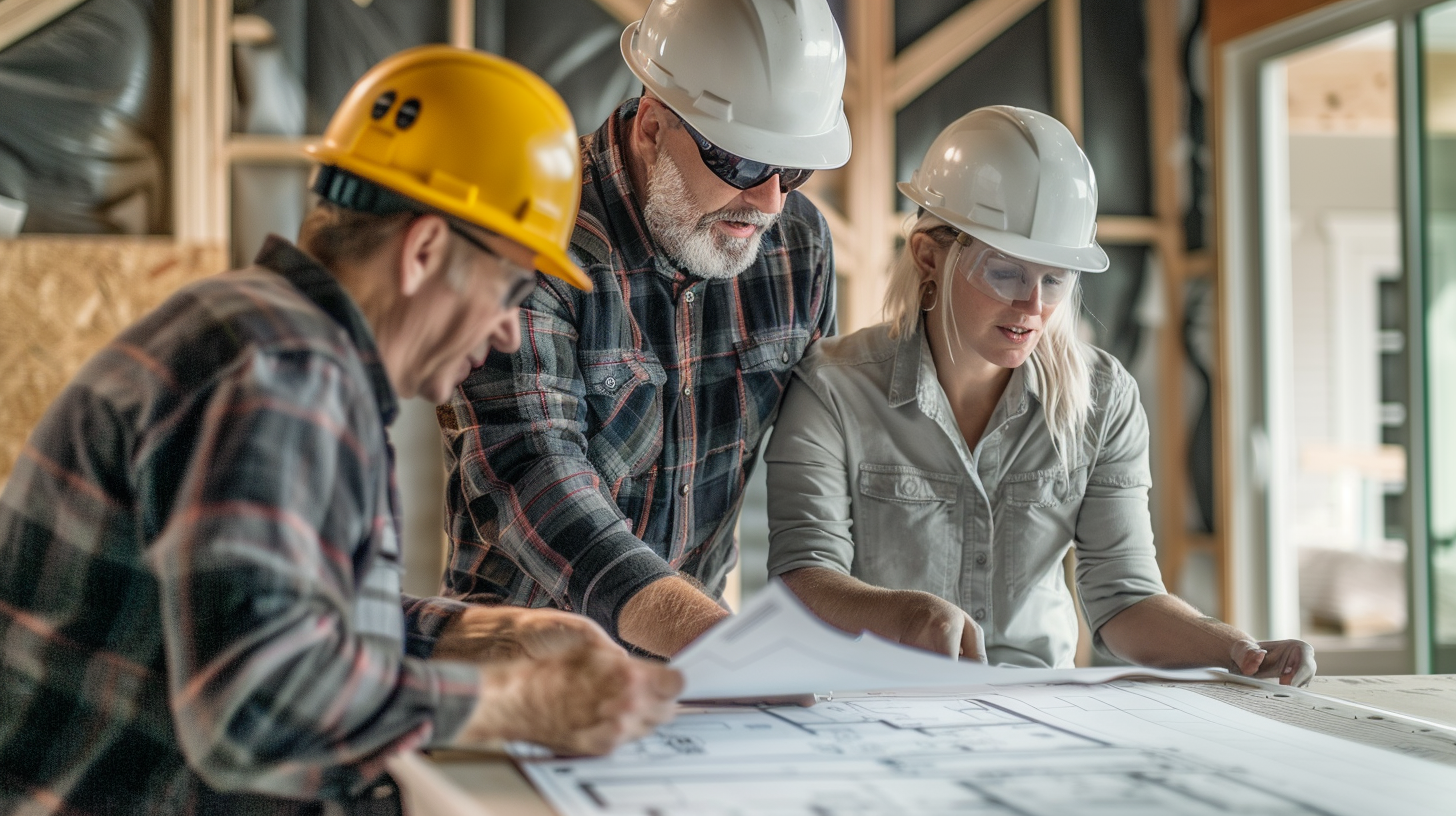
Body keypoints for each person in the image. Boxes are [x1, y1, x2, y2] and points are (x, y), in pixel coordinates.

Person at [0, 47, 680, 816]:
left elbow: (268, 613)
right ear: (424, 250)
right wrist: (517, 703)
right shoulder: (282, 372)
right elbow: (256, 708)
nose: (506, 333)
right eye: (511, 288)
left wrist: (480, 634)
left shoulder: (275, 348)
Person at [765, 106, 1316, 685]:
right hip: (874, 703)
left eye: (1055, 278)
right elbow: (803, 577)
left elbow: (1124, 599)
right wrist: (905, 615)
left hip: (1038, 705)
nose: (1034, 307)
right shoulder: (833, 389)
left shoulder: (1104, 400)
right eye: (1005, 272)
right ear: (929, 257)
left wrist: (1235, 649)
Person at [438, 0, 850, 658]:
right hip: (525, 670)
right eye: (742, 165)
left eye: (794, 170)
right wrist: (710, 635)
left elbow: (822, 459)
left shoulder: (799, 249)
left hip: (692, 670)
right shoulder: (531, 229)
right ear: (654, 126)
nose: (771, 200)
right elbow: (533, 470)